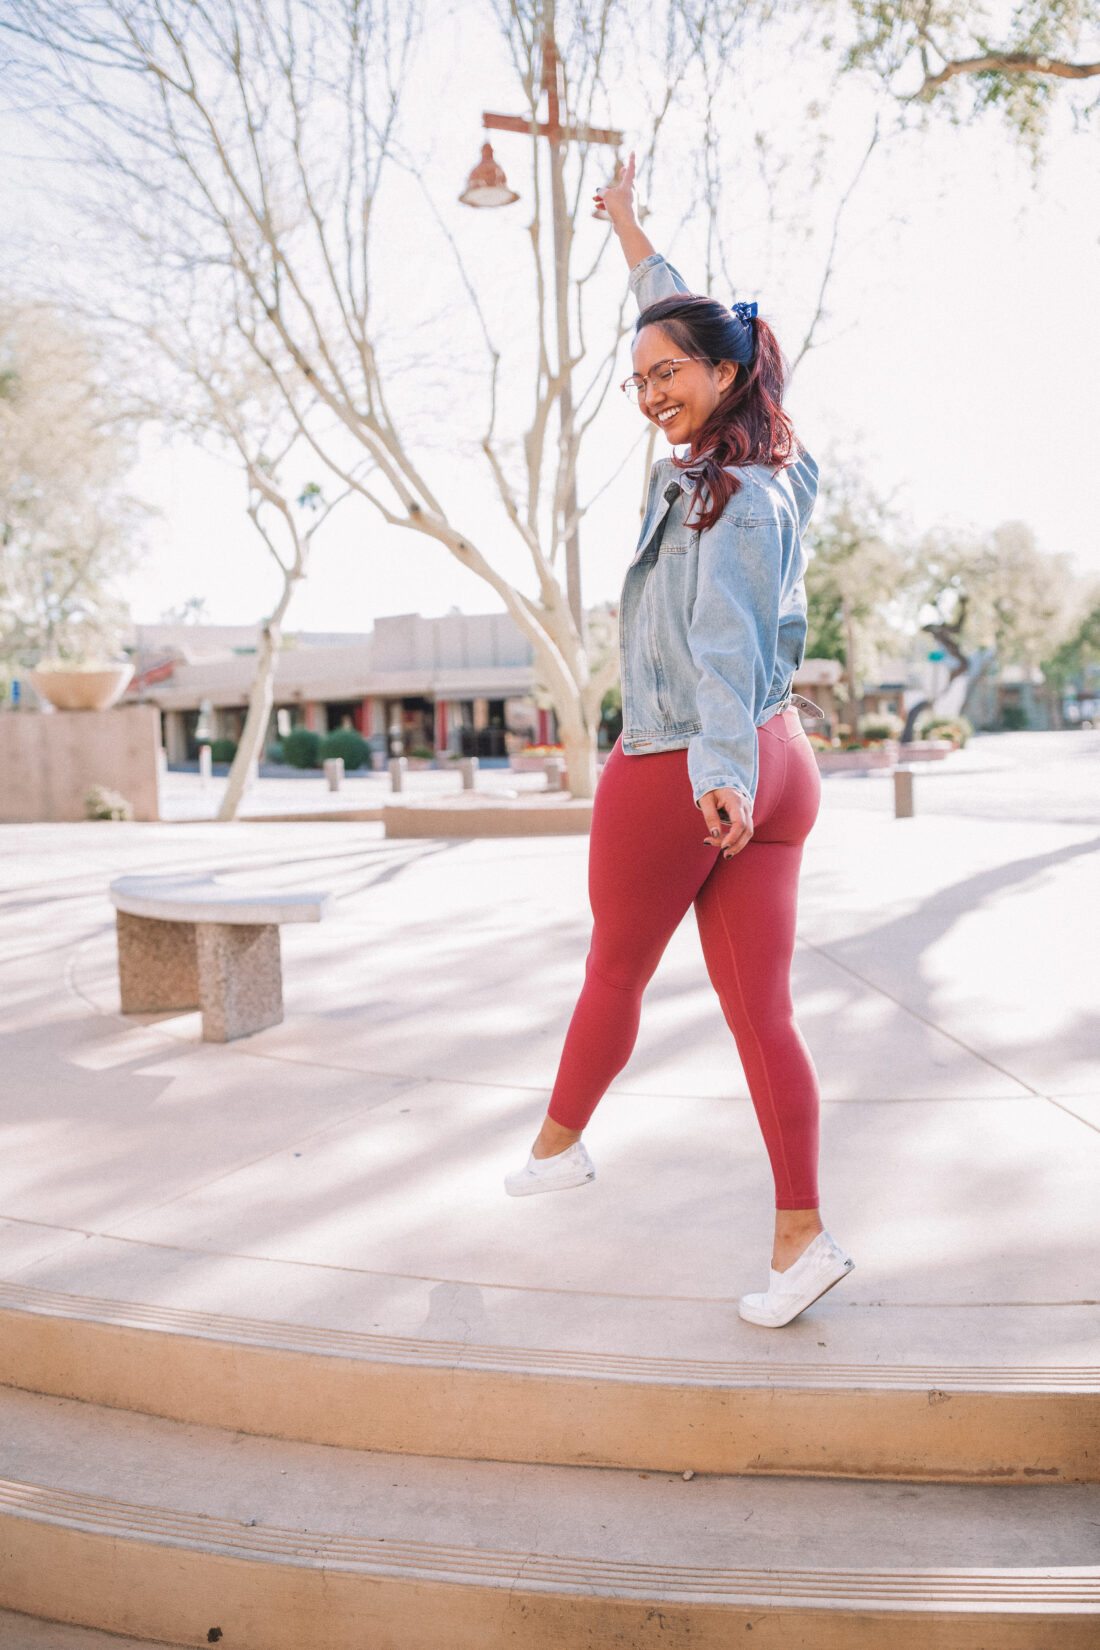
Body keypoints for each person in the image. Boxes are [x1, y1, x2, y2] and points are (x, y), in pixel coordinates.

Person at [504, 155, 854, 1329]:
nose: (651, 392)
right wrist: (626, 229)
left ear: (723, 372)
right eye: (639, 377)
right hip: (779, 757)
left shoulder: (727, 498)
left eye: (668, 374)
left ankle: (557, 1146)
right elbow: (685, 313)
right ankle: (799, 1241)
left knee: (616, 966)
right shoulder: (779, 465)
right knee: (763, 1018)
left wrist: (716, 777)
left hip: (687, 759)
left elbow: (720, 642)